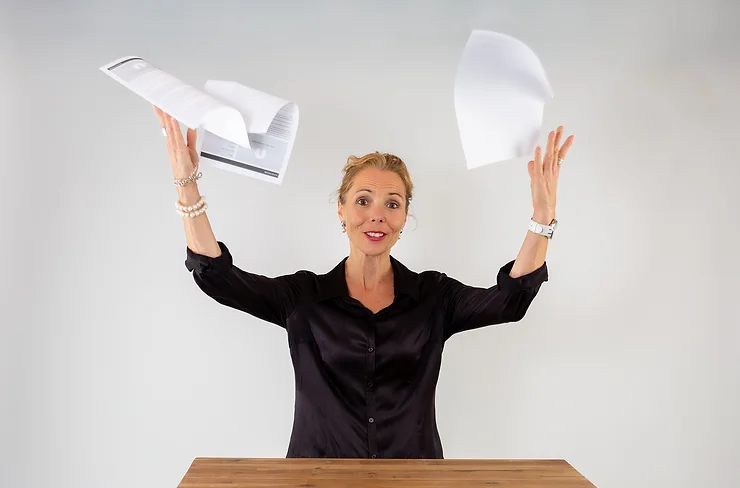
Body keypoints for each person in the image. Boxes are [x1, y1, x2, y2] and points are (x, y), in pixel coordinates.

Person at [153, 105, 574, 459]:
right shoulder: (302, 297)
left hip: (415, 486)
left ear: (404, 217)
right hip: (315, 486)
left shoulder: (434, 296)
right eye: (363, 200)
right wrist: (186, 185)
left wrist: (542, 216)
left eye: (392, 204)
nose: (377, 215)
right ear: (340, 209)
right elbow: (218, 278)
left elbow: (509, 301)